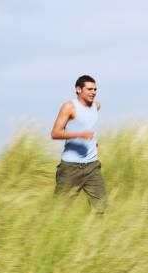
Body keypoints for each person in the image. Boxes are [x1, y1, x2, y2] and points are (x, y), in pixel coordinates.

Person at [51, 75, 106, 213]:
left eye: (95, 89)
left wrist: (94, 142)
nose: (93, 92)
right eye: (89, 89)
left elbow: (89, 123)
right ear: (78, 89)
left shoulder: (96, 106)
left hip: (92, 166)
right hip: (70, 167)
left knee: (100, 207)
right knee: (60, 210)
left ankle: (96, 233)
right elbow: (55, 133)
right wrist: (80, 135)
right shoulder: (69, 107)